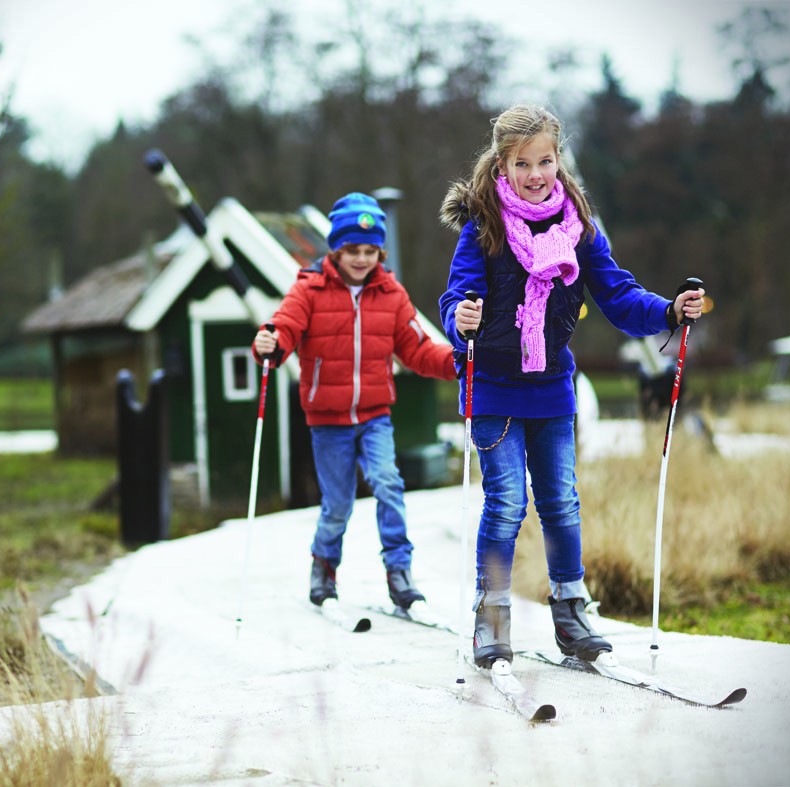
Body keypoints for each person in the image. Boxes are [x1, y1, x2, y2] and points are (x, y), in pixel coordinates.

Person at [437, 105, 705, 667]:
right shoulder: (483, 228)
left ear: (559, 160)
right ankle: (492, 615)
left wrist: (669, 312)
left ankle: (570, 608)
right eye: (522, 163)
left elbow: (618, 294)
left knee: (560, 502)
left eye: (546, 161)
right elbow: (456, 295)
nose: (536, 175)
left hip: (553, 385)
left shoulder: (578, 228)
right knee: (507, 503)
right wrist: (459, 316)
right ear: (502, 165)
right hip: (492, 385)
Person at [252, 192, 457, 611]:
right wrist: (269, 343)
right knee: (338, 504)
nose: (361, 260)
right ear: (336, 250)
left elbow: (417, 349)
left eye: (370, 251)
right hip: (327, 420)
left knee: (388, 484)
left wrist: (460, 364)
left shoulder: (391, 294)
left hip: (374, 415)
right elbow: (284, 329)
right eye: (352, 251)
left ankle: (399, 573)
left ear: (380, 251)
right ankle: (324, 567)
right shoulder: (309, 289)